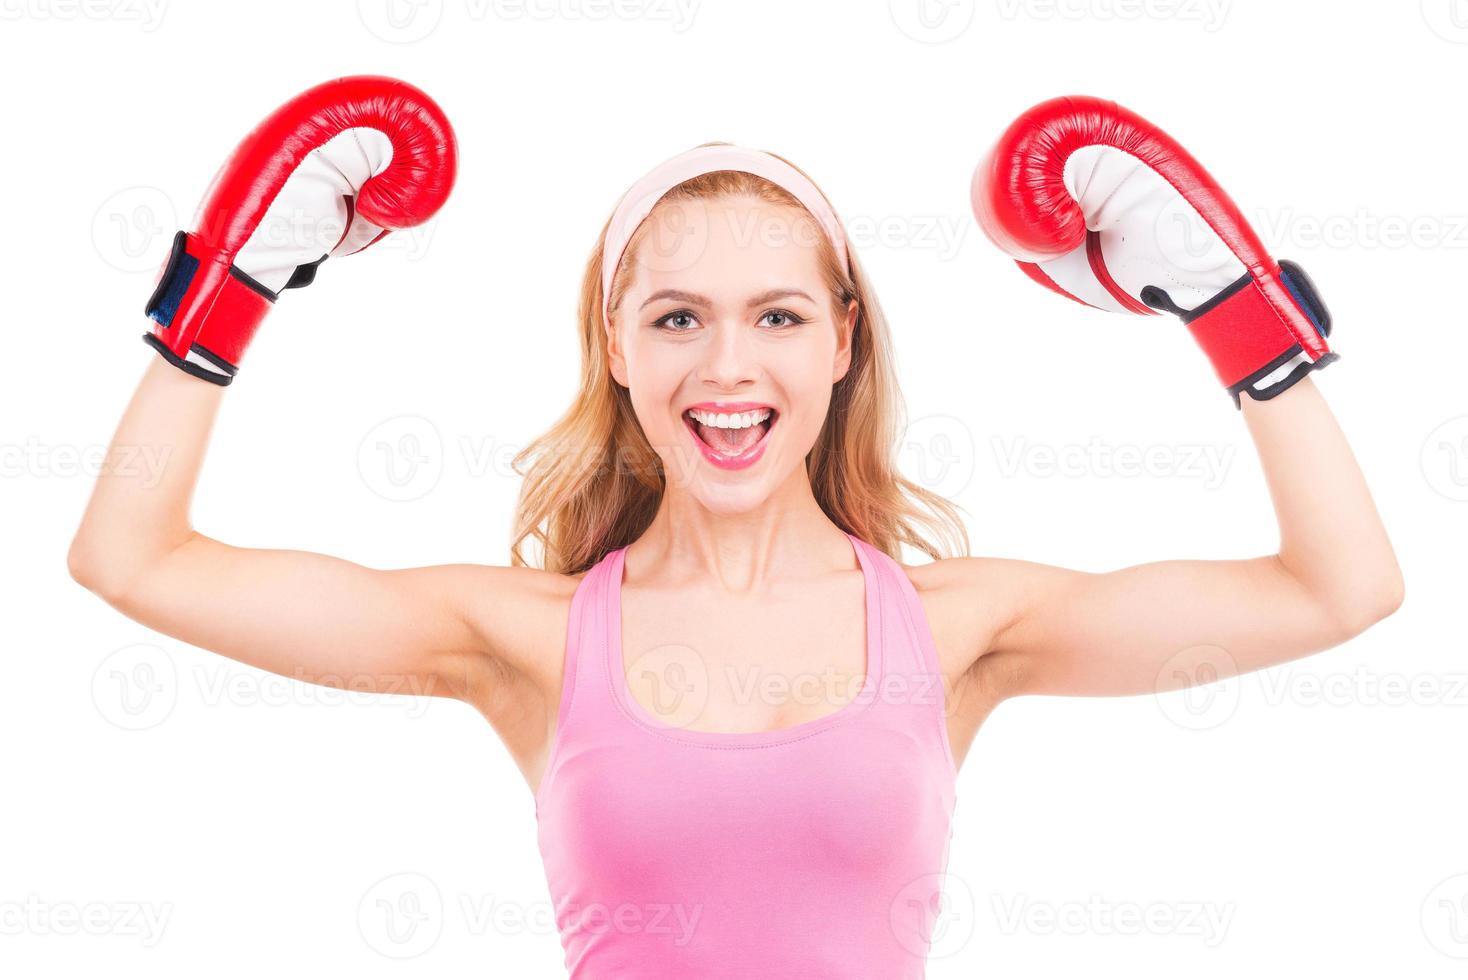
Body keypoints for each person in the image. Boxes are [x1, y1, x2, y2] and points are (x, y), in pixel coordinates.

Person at [68, 83, 1403, 978]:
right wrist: (226, 291)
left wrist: (1237, 310)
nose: (727, 367)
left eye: (776, 316)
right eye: (675, 317)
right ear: (619, 346)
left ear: (840, 343)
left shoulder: (955, 628)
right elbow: (132, 559)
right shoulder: (528, 638)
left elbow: (1340, 589)